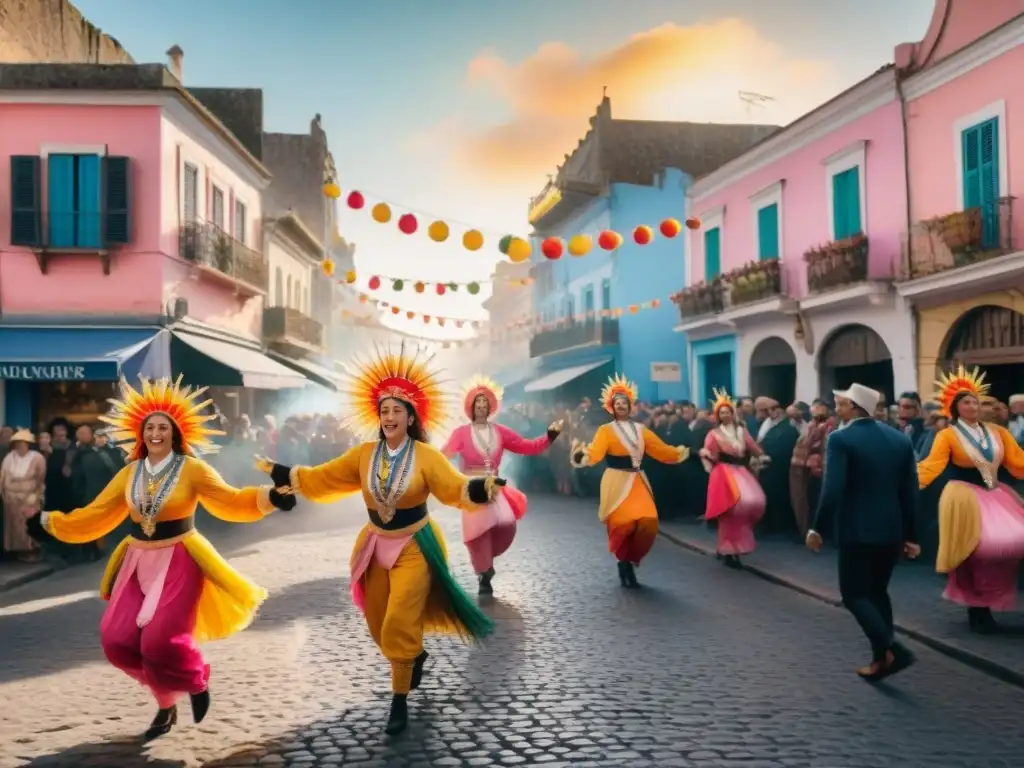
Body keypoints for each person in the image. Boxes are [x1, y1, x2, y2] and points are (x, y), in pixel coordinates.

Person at [26, 376, 296, 740]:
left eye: (162, 427)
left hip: (182, 557)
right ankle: (166, 700)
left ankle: (196, 682)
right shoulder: (128, 473)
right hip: (137, 561)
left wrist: (269, 498)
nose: (155, 432)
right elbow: (96, 514)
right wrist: (49, 523)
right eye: (149, 427)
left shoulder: (194, 469)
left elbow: (230, 501)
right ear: (140, 434)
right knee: (117, 640)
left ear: (175, 432)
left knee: (159, 641)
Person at [257, 343, 502, 735]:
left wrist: (480, 488)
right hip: (374, 545)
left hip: (415, 546)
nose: (389, 416)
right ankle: (414, 655)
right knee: (377, 624)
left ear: (410, 417)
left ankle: (399, 701)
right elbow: (326, 476)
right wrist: (289, 476)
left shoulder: (425, 455)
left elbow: (453, 487)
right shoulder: (364, 453)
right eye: (384, 410)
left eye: (397, 411)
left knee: (399, 621)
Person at [806, 382, 919, 681]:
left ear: (855, 407)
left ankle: (892, 648)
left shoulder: (842, 438)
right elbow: (909, 490)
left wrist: (818, 526)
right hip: (891, 528)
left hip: (857, 528)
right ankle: (881, 659)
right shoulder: (899, 439)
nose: (837, 407)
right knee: (878, 593)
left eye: (842, 403)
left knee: (854, 594)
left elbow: (832, 489)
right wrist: (911, 534)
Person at [916, 366, 1024, 632]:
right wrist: (908, 484)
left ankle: (986, 600)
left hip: (996, 497)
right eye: (967, 401)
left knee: (1003, 546)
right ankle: (978, 609)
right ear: (955, 407)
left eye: (976, 400)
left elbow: (1017, 460)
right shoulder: (948, 435)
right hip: (963, 497)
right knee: (974, 553)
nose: (973, 405)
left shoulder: (999, 434)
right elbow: (932, 465)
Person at [441, 374, 563, 594]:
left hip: (495, 487)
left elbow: (527, 446)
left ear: (491, 407)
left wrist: (549, 437)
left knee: (506, 523)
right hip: (472, 489)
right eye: (477, 403)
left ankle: (487, 562)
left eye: (485, 404)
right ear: (470, 406)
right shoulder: (460, 433)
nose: (481, 407)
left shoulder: (500, 432)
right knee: (477, 532)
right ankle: (484, 572)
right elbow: (443, 456)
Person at [570, 374, 688, 588]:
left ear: (630, 406)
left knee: (648, 521)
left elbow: (659, 448)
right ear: (612, 408)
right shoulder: (605, 431)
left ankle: (631, 559)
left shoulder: (641, 430)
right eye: (618, 403)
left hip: (638, 480)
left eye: (625, 403)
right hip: (616, 480)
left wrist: (677, 454)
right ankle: (622, 561)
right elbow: (595, 452)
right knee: (623, 523)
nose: (622, 406)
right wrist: (584, 456)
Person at [700, 389, 768, 568]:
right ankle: (727, 549)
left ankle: (738, 546)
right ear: (718, 415)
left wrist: (762, 456)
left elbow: (753, 447)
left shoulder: (741, 430)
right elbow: (709, 452)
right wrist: (707, 455)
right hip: (723, 473)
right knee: (729, 511)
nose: (725, 415)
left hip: (741, 472)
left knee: (748, 504)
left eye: (728, 412)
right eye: (722, 413)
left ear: (733, 413)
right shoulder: (714, 434)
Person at [1, 429, 46, 562]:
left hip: (30, 496)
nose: (20, 446)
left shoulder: (37, 457)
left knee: (29, 525)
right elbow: (3, 476)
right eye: (18, 443)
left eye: (23, 443)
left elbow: (40, 478)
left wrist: (36, 495)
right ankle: (18, 551)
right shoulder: (9, 457)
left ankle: (33, 550)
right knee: (15, 526)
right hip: (12, 497)